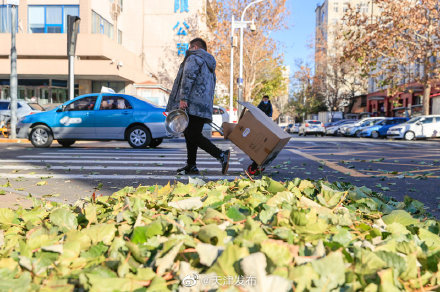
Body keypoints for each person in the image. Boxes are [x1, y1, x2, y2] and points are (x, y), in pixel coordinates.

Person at [166, 38, 230, 175]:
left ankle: (220, 155)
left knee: (192, 135)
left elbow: (188, 77)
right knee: (191, 135)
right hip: (203, 106)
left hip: (192, 104)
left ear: (195, 47)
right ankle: (191, 165)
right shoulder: (209, 64)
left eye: (189, 47)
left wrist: (183, 98)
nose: (188, 50)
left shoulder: (194, 58)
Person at [248, 95, 273, 175]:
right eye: (264, 99)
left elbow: (270, 112)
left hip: (266, 121)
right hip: (261, 121)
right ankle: (256, 166)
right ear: (263, 99)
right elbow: (257, 110)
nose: (265, 100)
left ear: (268, 99)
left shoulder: (269, 105)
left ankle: (256, 166)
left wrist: (268, 116)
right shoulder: (260, 104)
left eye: (266, 99)